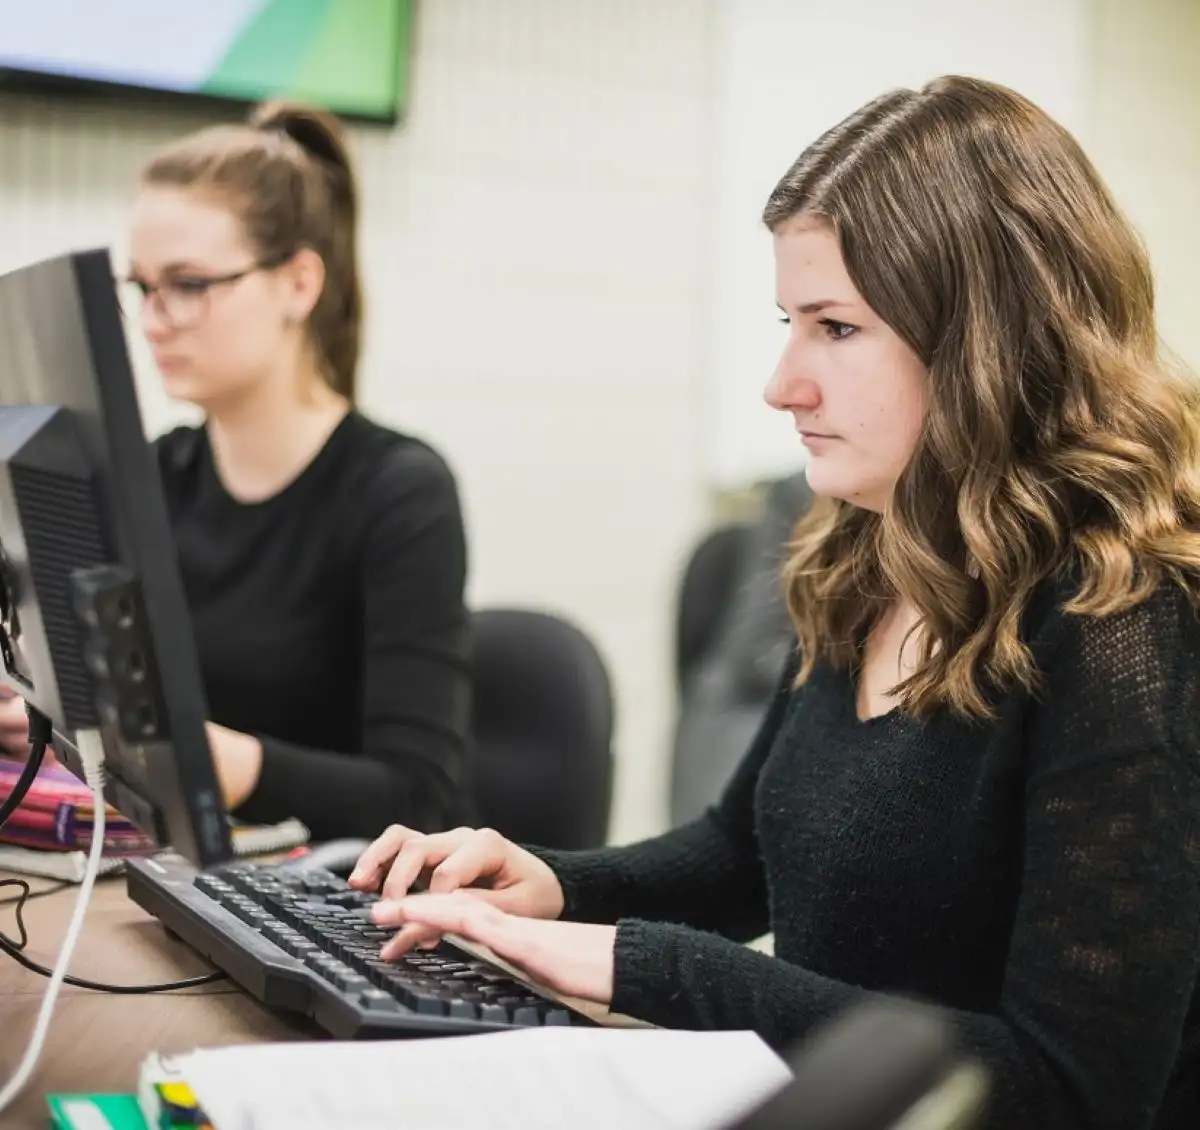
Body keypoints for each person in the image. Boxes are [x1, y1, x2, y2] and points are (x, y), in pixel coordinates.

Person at [347, 76, 1200, 1129]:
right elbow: (744, 851)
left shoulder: (1129, 621)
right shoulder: (870, 543)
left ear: (989, 339)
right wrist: (555, 886)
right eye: (789, 323)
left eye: (835, 328)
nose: (782, 381)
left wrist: (641, 965)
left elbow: (1066, 1087)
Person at [2, 101, 473, 842]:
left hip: (332, 908)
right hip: (192, 876)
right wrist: (48, 717)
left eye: (188, 285)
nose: (155, 318)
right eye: (142, 287)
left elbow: (419, 798)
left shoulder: (400, 493)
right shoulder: (161, 472)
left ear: (298, 285)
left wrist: (218, 760)